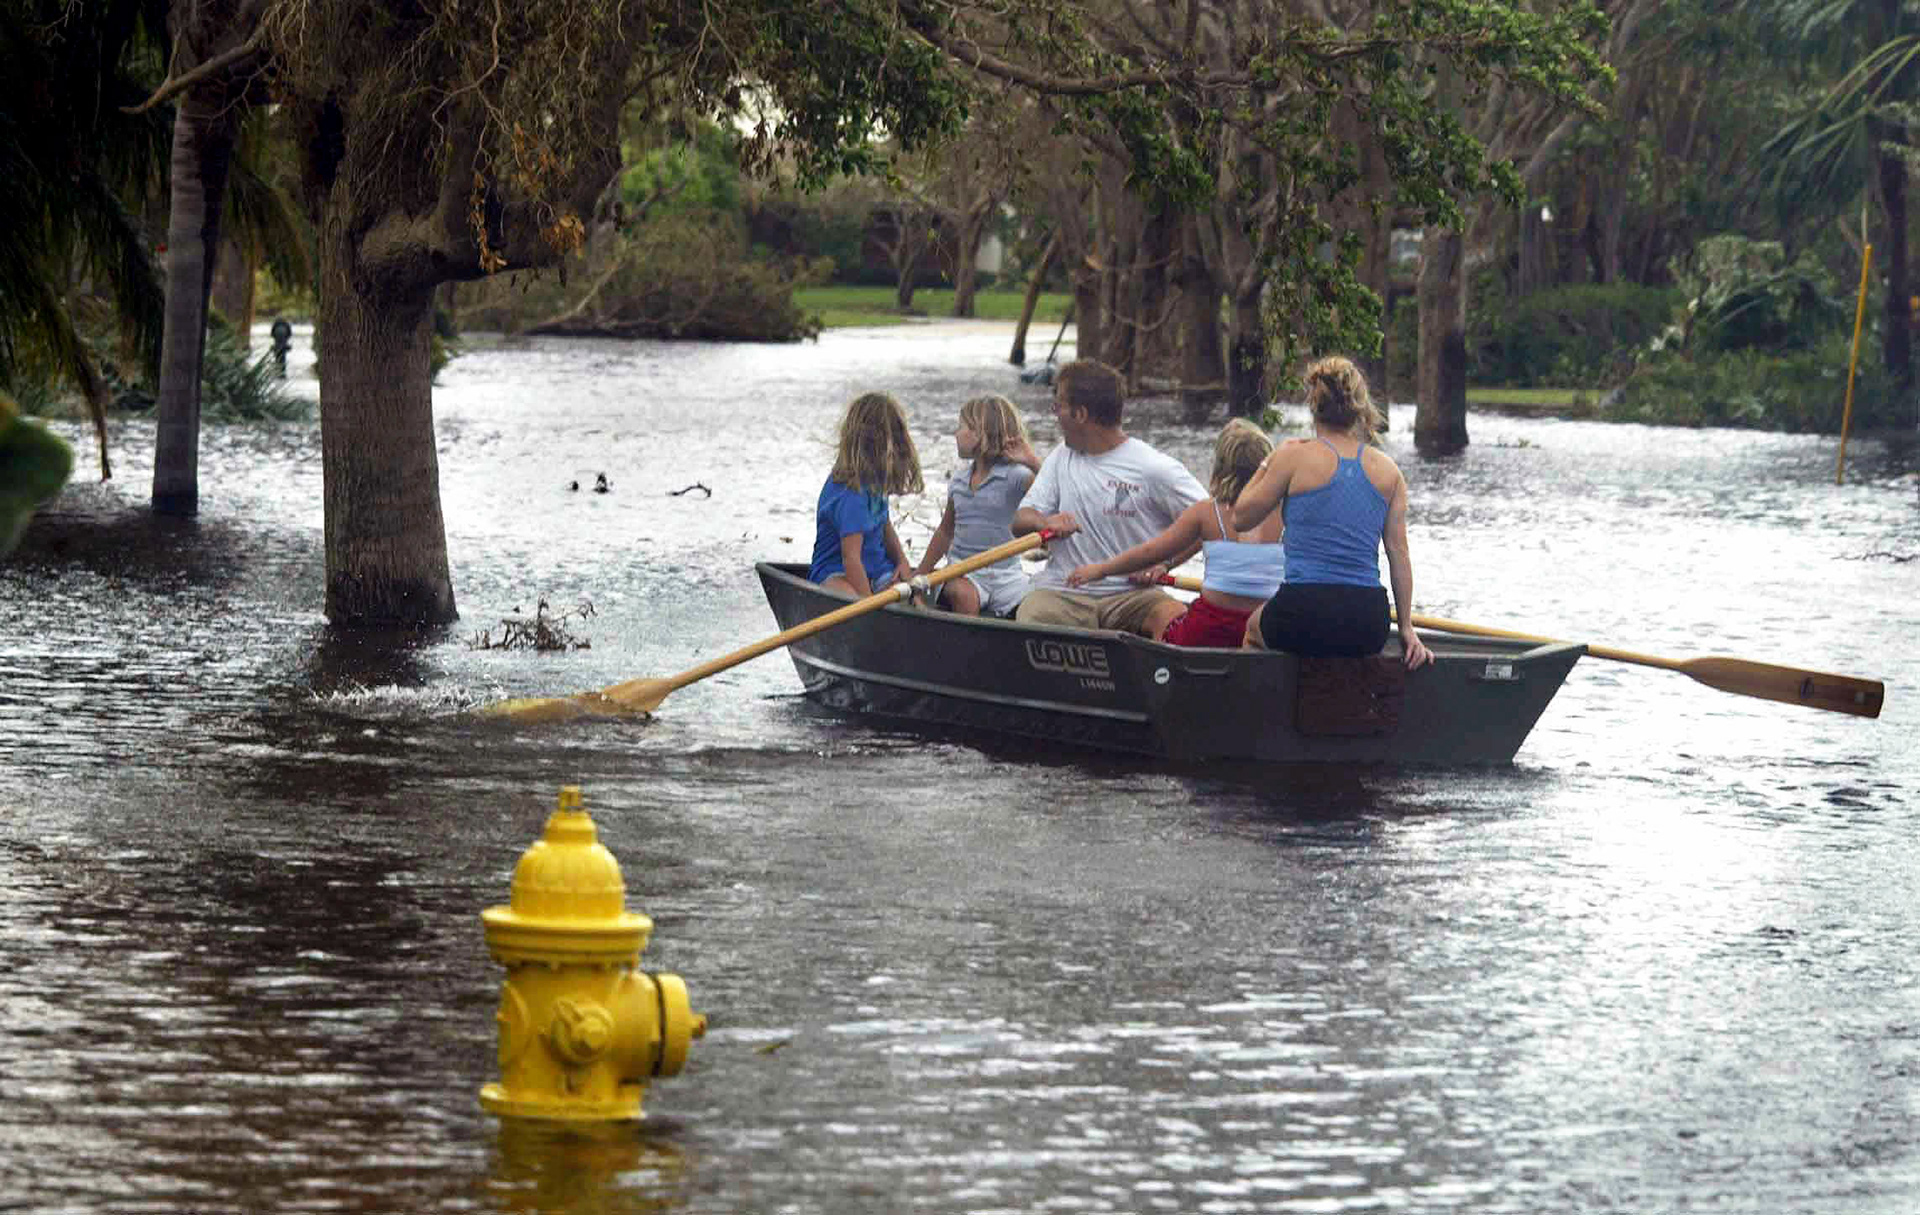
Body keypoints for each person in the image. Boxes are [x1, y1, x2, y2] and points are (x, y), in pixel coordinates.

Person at [1232, 356, 1433, 669]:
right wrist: (1406, 627)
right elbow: (1399, 554)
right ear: (1357, 408)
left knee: (1252, 630)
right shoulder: (1390, 472)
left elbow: (1241, 517)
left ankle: (1264, 714)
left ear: (1313, 404)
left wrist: (1268, 461)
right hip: (1368, 621)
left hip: (1304, 610)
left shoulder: (1292, 457)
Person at [1012, 359, 1207, 638]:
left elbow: (1213, 521)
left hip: (1132, 596)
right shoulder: (1060, 458)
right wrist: (1045, 521)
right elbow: (1020, 521)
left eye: (1058, 407)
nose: (1054, 415)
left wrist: (1166, 564)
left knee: (1173, 617)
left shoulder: (1154, 468)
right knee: (1031, 616)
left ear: (1080, 414)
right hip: (1063, 593)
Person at [1064, 418, 1283, 647]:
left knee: (1166, 632)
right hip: (1267, 627)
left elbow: (1150, 552)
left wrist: (1100, 570)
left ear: (1220, 468)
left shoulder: (1205, 513)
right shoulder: (1289, 514)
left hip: (1209, 628)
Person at [910, 393, 1043, 616]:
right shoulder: (958, 482)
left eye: (961, 427)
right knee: (964, 595)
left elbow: (1052, 495)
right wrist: (921, 577)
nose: (955, 434)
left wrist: (1033, 462)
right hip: (963, 572)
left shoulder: (1018, 477)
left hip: (1007, 576)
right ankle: (967, 644)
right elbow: (945, 532)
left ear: (982, 433)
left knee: (1036, 604)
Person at [808, 391, 923, 597]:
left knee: (909, 593)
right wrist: (870, 603)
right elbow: (850, 559)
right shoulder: (850, 494)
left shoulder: (875, 483)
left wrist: (902, 561)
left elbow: (885, 526)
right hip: (837, 573)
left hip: (875, 569)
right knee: (849, 597)